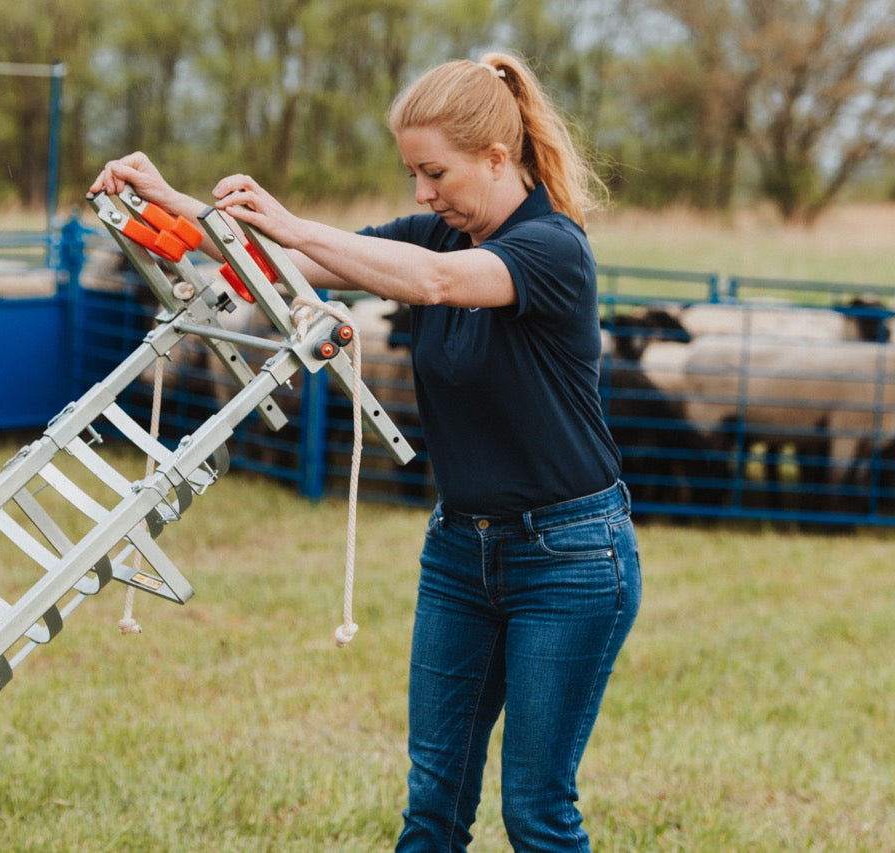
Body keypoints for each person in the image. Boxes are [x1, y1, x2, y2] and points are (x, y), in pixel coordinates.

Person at [90, 52, 641, 852]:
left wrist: (288, 221)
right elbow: (280, 265)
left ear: (497, 158)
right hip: (461, 550)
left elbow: (437, 282)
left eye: (434, 173)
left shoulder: (552, 248)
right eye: (413, 174)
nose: (421, 194)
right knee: (433, 806)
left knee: (536, 812)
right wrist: (174, 203)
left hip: (571, 556)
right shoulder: (436, 233)